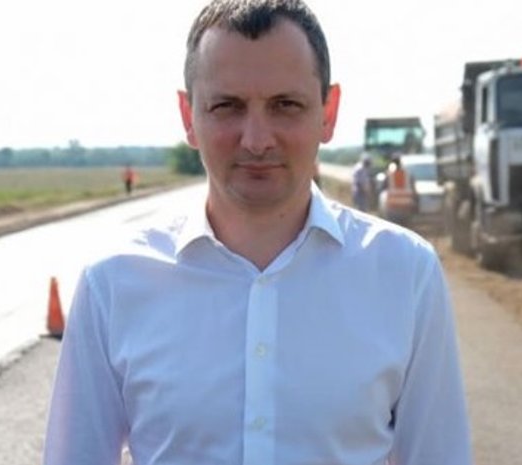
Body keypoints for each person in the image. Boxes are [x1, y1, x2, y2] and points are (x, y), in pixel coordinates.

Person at [42, 1, 472, 464]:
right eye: (227, 106)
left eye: (286, 105)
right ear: (188, 116)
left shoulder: (404, 272)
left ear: (328, 112)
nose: (257, 140)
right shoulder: (113, 282)